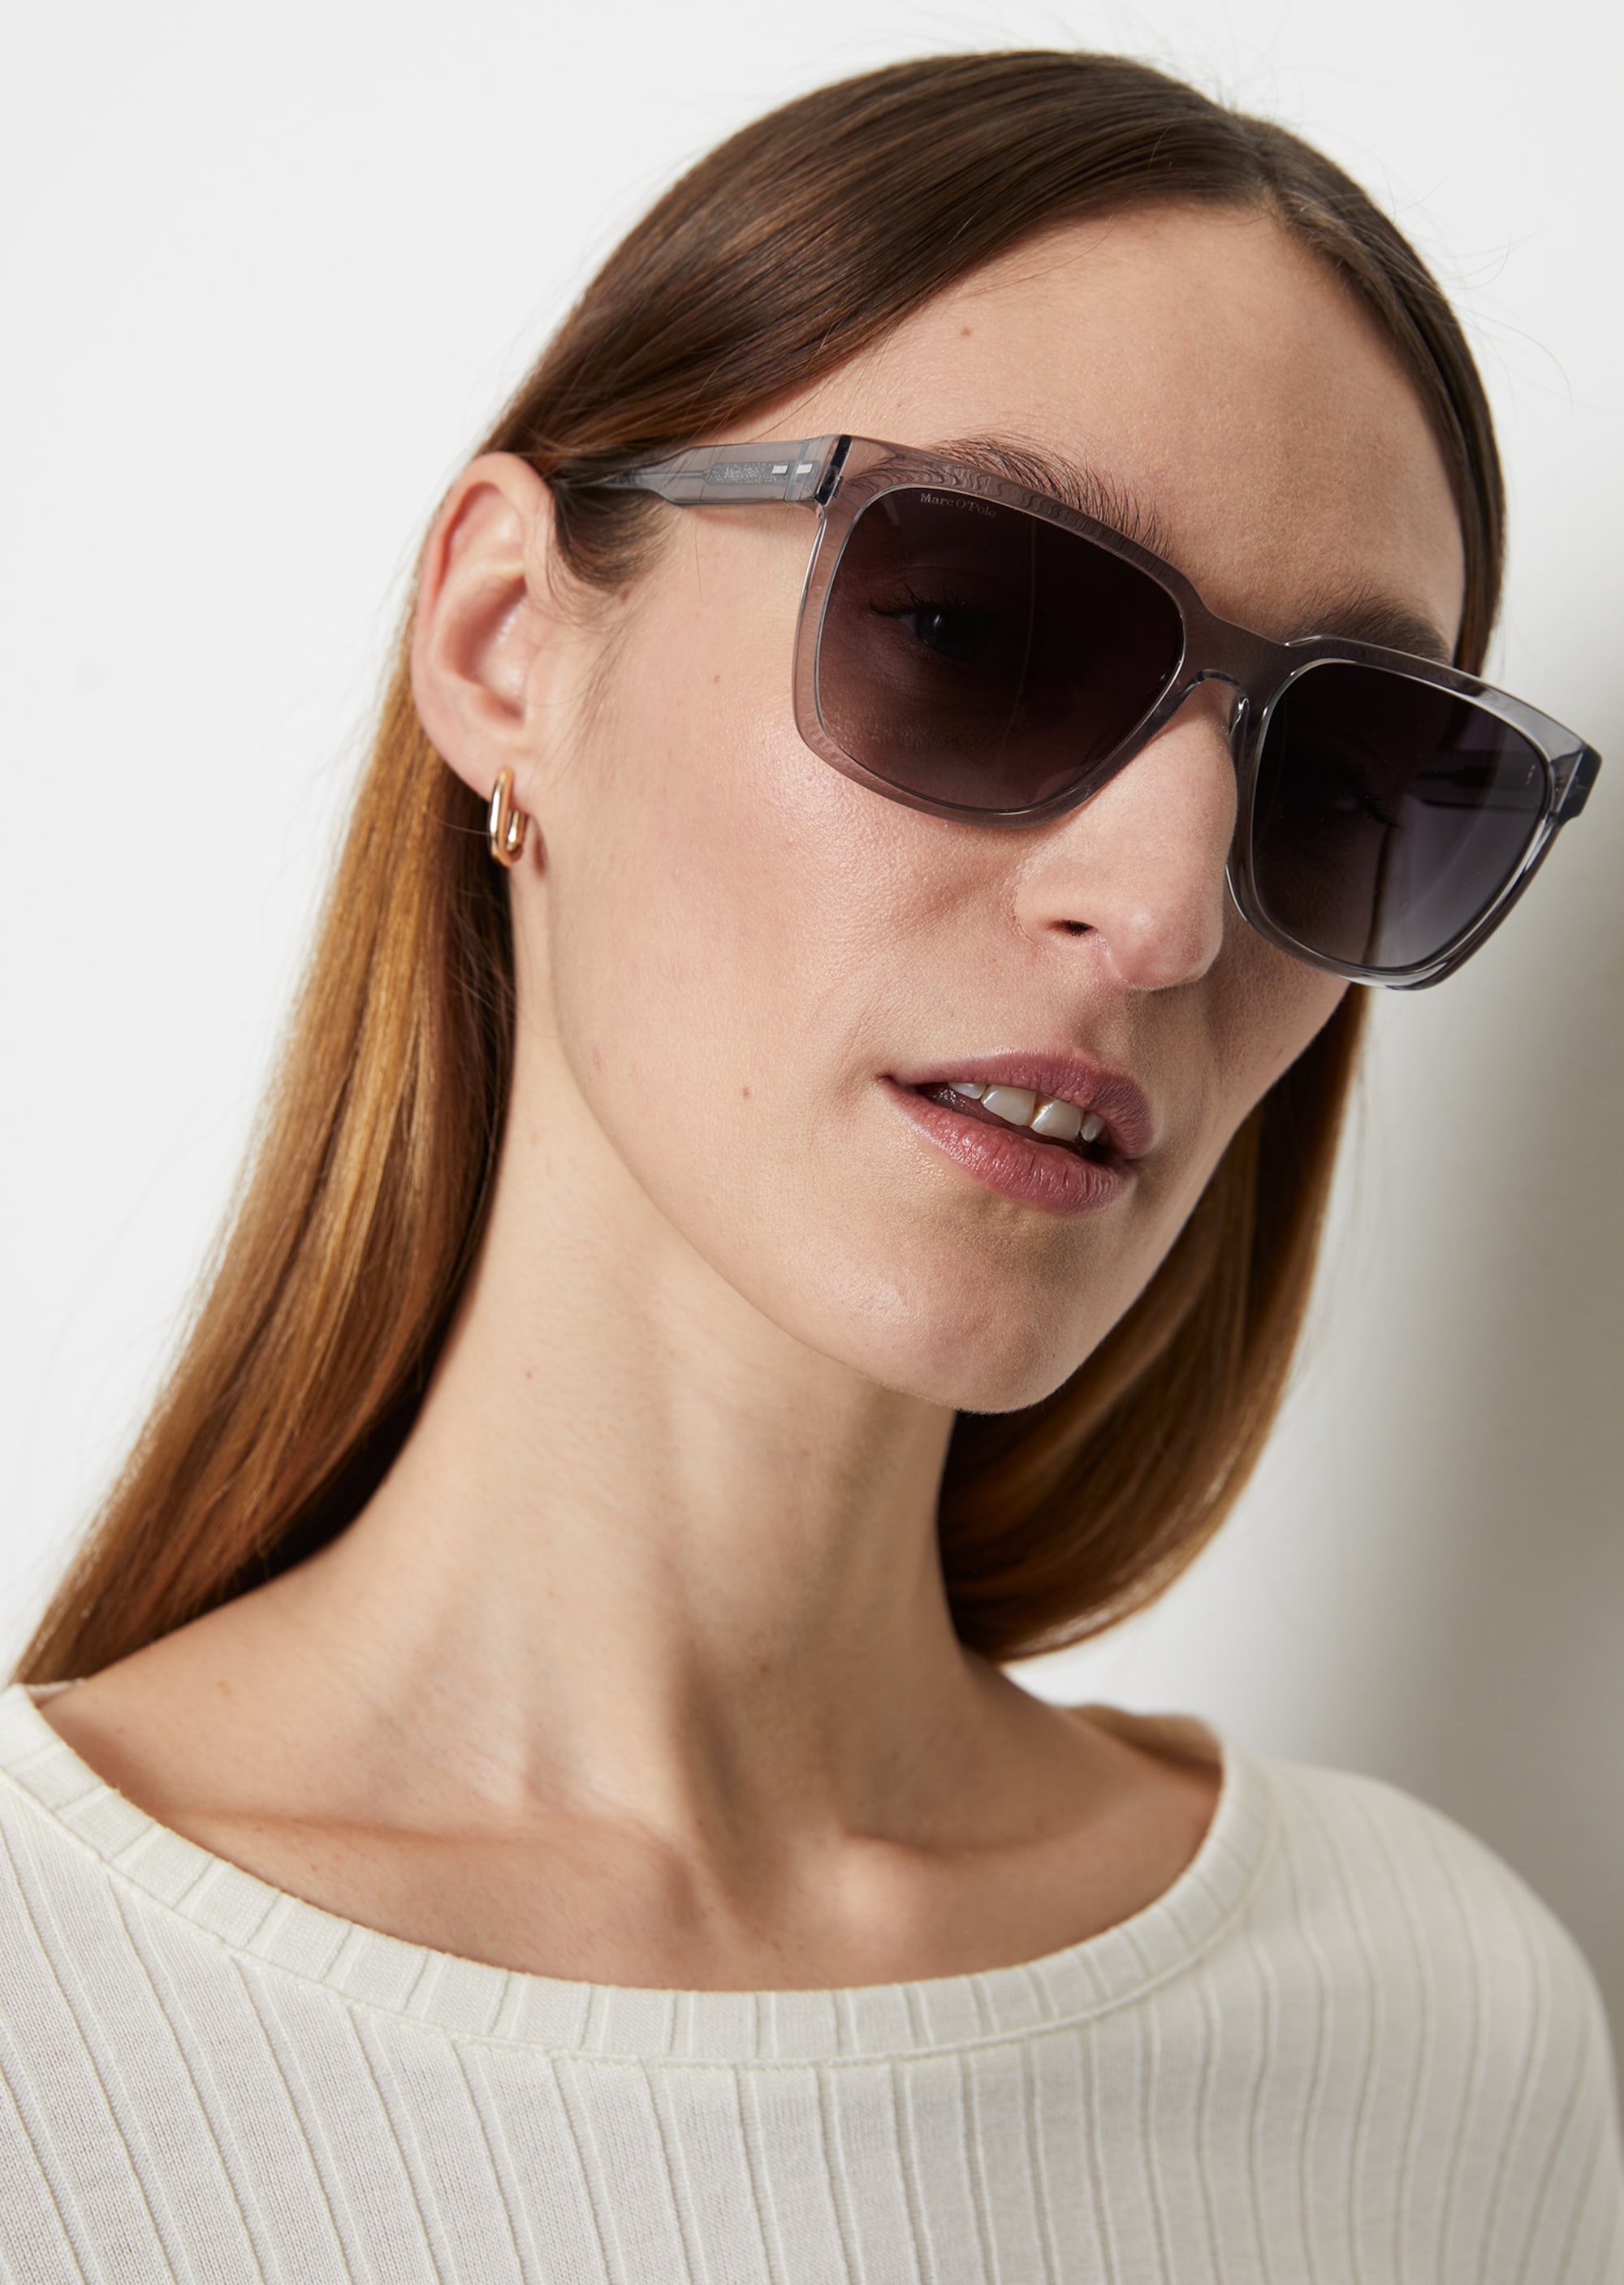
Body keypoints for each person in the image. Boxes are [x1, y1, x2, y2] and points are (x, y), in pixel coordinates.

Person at [1, 48, 1618, 2283]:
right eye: (974, 630)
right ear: (507, 643)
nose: (1167, 910)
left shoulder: (1433, 2035)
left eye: (1340, 776)